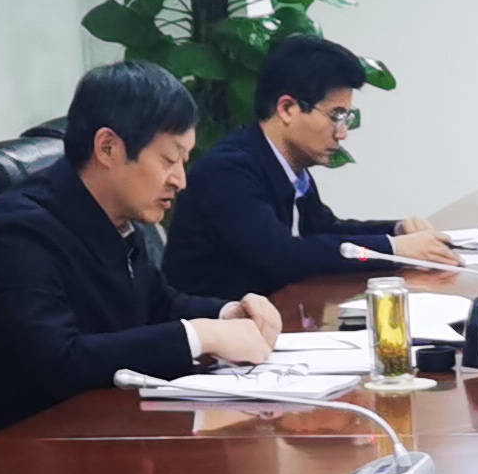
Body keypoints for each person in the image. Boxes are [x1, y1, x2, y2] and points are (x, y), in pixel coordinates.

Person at [0, 61, 277, 457]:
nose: (180, 179)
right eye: (169, 159)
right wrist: (200, 337)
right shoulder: (17, 234)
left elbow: (155, 303)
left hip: (86, 441)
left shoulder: (111, 216)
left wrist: (227, 314)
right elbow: (61, 362)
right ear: (108, 148)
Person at [162, 33, 456, 301]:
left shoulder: (288, 165)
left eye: (347, 118)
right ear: (287, 109)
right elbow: (282, 256)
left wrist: (397, 230)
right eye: (336, 116)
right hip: (217, 331)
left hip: (274, 314)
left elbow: (326, 230)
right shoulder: (229, 170)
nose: (342, 133)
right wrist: (392, 249)